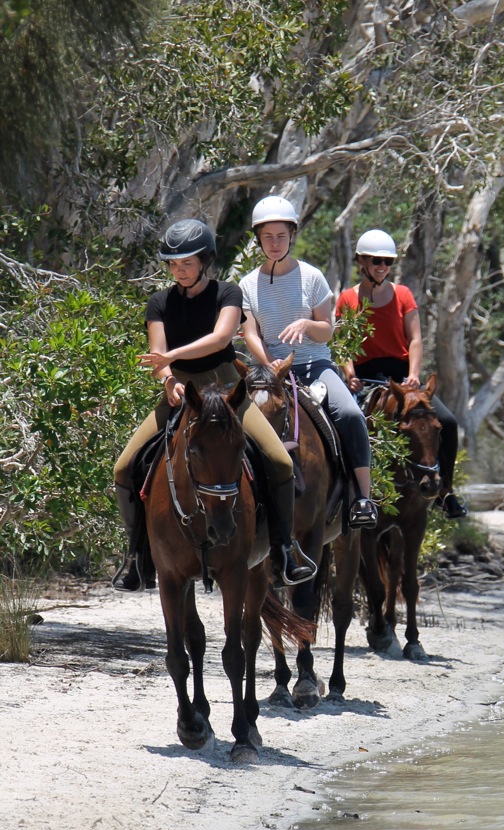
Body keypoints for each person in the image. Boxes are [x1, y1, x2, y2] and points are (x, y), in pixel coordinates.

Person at [112, 217, 316, 591]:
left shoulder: (228, 293)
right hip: (181, 394)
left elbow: (220, 337)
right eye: (174, 264)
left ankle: (285, 550)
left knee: (280, 461)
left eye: (187, 262)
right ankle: (136, 557)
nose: (180, 270)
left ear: (204, 261)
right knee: (124, 467)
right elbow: (158, 357)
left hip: (227, 391)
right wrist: (169, 379)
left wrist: (170, 356)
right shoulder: (159, 303)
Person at [239, 196, 378, 529]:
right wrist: (271, 362)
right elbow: (249, 334)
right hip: (269, 372)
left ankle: (362, 497)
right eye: (268, 236)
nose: (275, 243)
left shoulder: (312, 277)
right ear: (258, 239)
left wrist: (306, 325)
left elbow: (327, 330)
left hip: (315, 366)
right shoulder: (245, 285)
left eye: (281, 236)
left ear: (291, 236)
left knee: (350, 413)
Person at [337, 228, 468, 519]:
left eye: (387, 262)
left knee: (446, 420)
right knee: (344, 422)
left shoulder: (403, 295)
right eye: (376, 261)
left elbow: (415, 339)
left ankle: (445, 491)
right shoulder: (347, 298)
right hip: (365, 375)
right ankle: (342, 493)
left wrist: (413, 374)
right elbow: (343, 343)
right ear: (362, 261)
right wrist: (348, 373)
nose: (382, 267)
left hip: (402, 375)